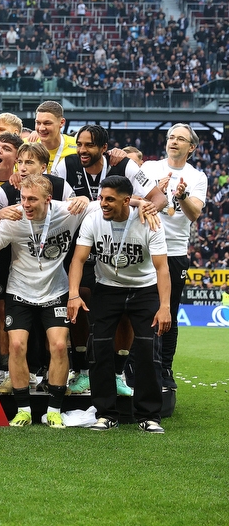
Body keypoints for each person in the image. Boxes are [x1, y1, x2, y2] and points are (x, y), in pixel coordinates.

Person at [0, 175, 92, 427]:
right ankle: (23, 410)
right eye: (22, 198)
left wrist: (141, 203)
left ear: (48, 200)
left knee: (60, 346)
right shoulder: (15, 220)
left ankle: (53, 409)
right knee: (17, 346)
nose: (25, 205)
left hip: (56, 291)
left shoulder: (68, 211)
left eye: (32, 199)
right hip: (20, 292)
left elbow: (106, 203)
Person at [68, 176, 170, 433]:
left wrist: (165, 305)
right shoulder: (94, 218)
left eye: (110, 200)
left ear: (127, 201)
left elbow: (162, 267)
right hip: (108, 289)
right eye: (102, 198)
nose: (103, 204)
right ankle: (105, 414)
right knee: (99, 349)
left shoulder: (150, 221)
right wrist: (73, 294)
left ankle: (149, 416)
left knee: (149, 351)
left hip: (143, 289)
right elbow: (78, 260)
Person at [139, 124, 207, 389]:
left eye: (181, 139)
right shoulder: (149, 169)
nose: (174, 142)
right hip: (145, 249)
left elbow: (194, 214)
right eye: (171, 137)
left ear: (191, 147)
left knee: (170, 313)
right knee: (140, 312)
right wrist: (156, 189)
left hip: (175, 251)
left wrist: (183, 195)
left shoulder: (197, 176)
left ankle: (165, 369)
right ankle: (135, 366)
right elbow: (134, 198)